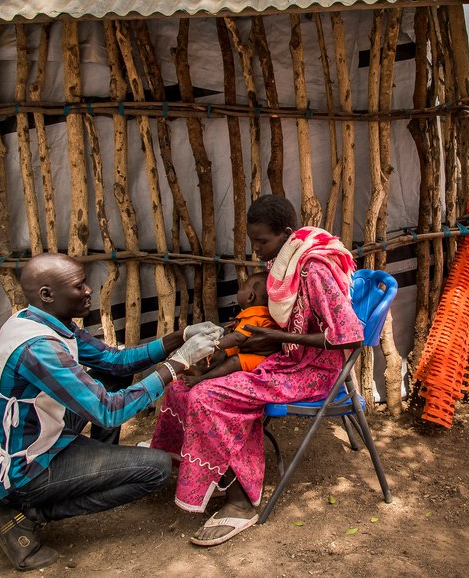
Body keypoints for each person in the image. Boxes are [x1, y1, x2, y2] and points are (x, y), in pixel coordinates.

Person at [0, 253, 222, 571]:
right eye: (79, 285)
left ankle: (97, 466)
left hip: (31, 436)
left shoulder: (37, 320)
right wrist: (179, 362)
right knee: (155, 468)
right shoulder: (38, 349)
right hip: (14, 472)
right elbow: (108, 411)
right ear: (47, 294)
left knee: (112, 375)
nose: (88, 290)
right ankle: (25, 515)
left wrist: (179, 338)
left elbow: (115, 361)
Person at [149, 194, 364, 546]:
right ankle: (212, 473)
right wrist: (250, 341)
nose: (257, 250)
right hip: (286, 360)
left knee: (207, 394)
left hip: (314, 372)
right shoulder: (284, 267)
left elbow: (349, 337)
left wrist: (275, 336)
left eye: (263, 241)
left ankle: (242, 501)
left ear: (287, 234)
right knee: (180, 388)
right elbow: (276, 326)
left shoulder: (314, 268)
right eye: (253, 242)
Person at [182, 272, 276, 387]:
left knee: (234, 361)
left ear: (250, 297)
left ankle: (202, 379)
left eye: (242, 288)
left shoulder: (255, 316)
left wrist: (215, 344)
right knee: (225, 352)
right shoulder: (256, 314)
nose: (238, 291)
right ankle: (201, 369)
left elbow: (237, 338)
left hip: (261, 358)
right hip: (249, 351)